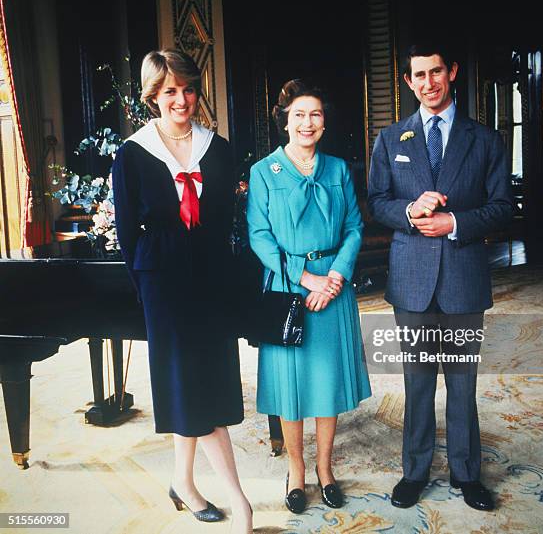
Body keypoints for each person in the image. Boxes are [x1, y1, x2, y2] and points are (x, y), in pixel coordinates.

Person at [368, 44, 513, 512]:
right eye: (418, 76)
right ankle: (415, 472)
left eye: (436, 72)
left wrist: (456, 224)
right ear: (407, 83)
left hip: (463, 279)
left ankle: (466, 474)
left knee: (463, 383)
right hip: (411, 280)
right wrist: (410, 211)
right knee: (417, 383)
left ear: (451, 73)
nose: (428, 83)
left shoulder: (486, 140)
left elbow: (502, 207)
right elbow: (377, 202)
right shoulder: (391, 139)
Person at [112, 49, 252, 533]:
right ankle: (241, 503)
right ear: (154, 96)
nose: (181, 99)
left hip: (211, 280)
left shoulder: (220, 148)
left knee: (200, 385)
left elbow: (226, 225)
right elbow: (128, 234)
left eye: (189, 89)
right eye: (170, 90)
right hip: (164, 284)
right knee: (190, 387)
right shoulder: (132, 154)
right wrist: (147, 289)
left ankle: (182, 483)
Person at [247, 79, 371, 514]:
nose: (307, 122)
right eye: (298, 114)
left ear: (324, 122)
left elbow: (355, 226)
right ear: (284, 120)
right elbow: (259, 237)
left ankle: (325, 469)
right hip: (288, 288)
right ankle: (297, 471)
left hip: (334, 286)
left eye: (315, 114)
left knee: (327, 382)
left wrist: (335, 275)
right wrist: (306, 278)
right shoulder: (264, 171)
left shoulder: (338, 169)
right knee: (291, 386)